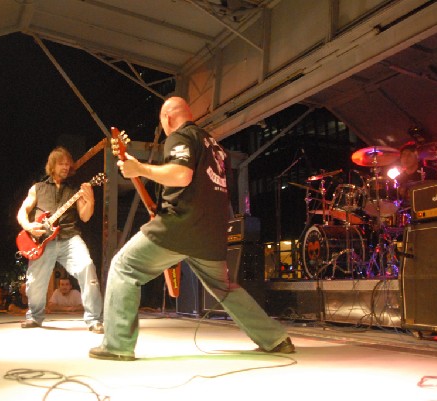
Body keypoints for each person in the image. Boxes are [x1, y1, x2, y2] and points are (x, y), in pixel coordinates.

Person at [89, 97, 294, 361]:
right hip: (212, 234)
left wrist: (139, 168)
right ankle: (275, 339)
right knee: (225, 289)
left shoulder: (180, 136)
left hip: (181, 226)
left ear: (168, 117)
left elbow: (181, 175)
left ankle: (117, 346)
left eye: (162, 124)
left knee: (124, 267)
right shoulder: (215, 147)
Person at [17, 146, 103, 333]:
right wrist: (28, 226)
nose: (66, 167)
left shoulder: (74, 191)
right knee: (35, 280)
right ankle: (34, 316)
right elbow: (23, 211)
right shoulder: (37, 188)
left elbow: (85, 216)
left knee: (87, 267)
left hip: (69, 237)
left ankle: (94, 319)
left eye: (68, 164)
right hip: (43, 240)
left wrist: (91, 200)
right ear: (52, 165)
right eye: (61, 164)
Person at [395, 141, 437, 206]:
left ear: (417, 157)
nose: (406, 158)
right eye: (403, 155)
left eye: (409, 155)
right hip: (407, 212)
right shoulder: (398, 179)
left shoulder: (430, 173)